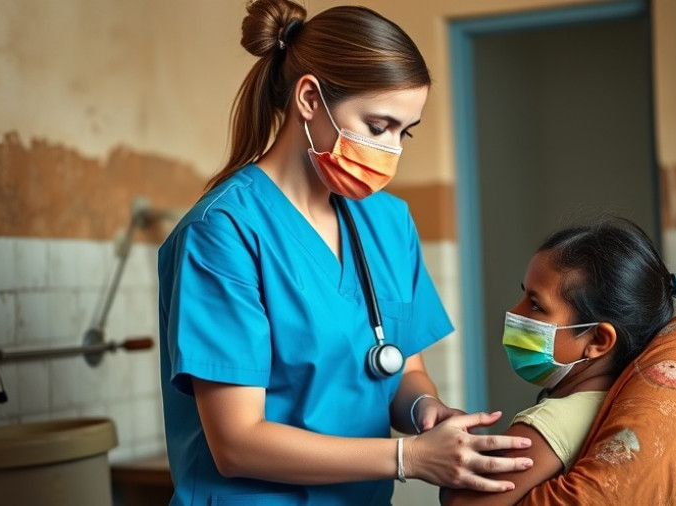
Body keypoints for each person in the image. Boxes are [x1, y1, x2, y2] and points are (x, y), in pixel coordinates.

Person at [156, 1, 533, 505]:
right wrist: (411, 458)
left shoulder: (389, 222)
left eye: (405, 132)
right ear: (309, 99)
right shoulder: (223, 232)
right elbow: (237, 442)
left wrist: (424, 409)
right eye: (379, 126)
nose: (392, 150)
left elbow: (403, 369)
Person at [441, 218, 676, 506]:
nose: (514, 312)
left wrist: (445, 456)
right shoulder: (623, 403)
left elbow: (462, 502)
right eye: (523, 294)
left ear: (598, 340)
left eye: (536, 305)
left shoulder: (552, 423)